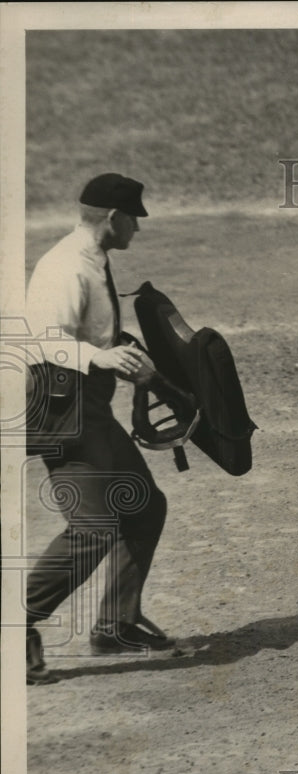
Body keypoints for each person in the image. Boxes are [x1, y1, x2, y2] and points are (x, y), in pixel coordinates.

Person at [24, 173, 174, 685]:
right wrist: (105, 356)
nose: (137, 227)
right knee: (93, 528)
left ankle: (115, 624)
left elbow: (90, 331)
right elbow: (42, 341)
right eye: (134, 218)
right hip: (59, 408)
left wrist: (118, 348)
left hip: (88, 405)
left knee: (145, 505)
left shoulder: (93, 258)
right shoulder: (64, 266)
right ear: (113, 219)